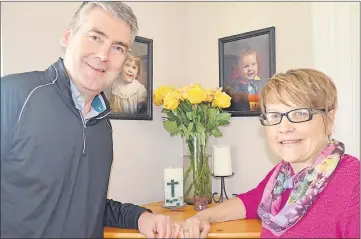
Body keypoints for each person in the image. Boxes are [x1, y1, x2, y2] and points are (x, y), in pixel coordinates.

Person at [1, 2, 179, 238]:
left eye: (118, 48)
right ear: (67, 36)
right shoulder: (12, 95)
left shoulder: (102, 124)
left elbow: (86, 207)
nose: (103, 55)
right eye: (95, 37)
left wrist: (140, 216)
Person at [179, 69, 360, 238]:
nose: (284, 128)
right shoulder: (282, 177)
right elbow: (250, 201)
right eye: (274, 115)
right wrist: (203, 217)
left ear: (329, 119)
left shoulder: (354, 182)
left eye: (299, 113)